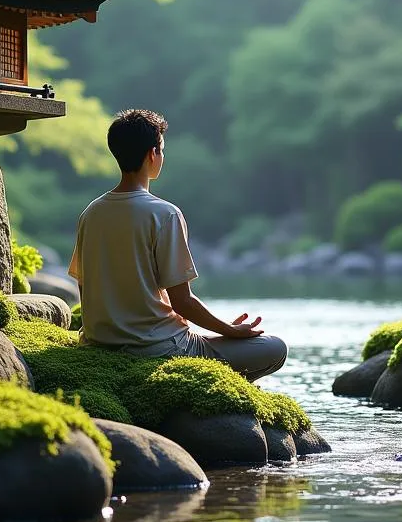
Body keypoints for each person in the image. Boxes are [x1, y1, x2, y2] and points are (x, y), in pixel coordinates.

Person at [68, 108, 287, 381]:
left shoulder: (91, 212)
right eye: (162, 149)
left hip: (99, 343)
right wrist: (230, 330)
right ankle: (215, 390)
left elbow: (84, 287)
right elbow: (182, 301)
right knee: (275, 348)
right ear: (152, 154)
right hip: (161, 349)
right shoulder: (164, 214)